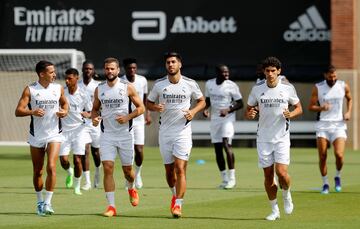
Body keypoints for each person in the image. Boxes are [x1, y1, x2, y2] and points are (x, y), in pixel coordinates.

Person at [146, 52, 205, 218]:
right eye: (168, 62)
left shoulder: (190, 83)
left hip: (183, 133)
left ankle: (178, 205)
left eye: (173, 62)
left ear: (180, 64)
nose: (170, 65)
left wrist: (193, 111)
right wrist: (155, 107)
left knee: (180, 169)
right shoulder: (159, 85)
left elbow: (202, 101)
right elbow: (148, 103)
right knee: (169, 172)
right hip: (165, 132)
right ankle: (174, 194)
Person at [245, 56, 302, 221]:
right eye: (267, 71)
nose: (270, 74)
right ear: (264, 72)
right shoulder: (257, 89)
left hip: (282, 137)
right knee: (268, 176)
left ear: (279, 72)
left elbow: (299, 108)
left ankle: (286, 194)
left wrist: (290, 114)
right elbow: (249, 110)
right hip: (263, 138)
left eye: (273, 71)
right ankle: (274, 210)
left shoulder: (287, 88)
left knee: (282, 173)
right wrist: (250, 113)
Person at [91, 57, 145, 217]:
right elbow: (95, 109)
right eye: (107, 68)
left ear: (118, 70)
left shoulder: (127, 87)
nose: (109, 71)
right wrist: (94, 117)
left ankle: (131, 187)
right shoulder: (99, 89)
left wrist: (127, 117)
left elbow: (141, 108)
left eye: (112, 69)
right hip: (107, 135)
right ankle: (111, 206)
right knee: (108, 168)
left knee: (128, 171)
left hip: (125, 136)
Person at [15, 60, 69, 216]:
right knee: (38, 171)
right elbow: (18, 111)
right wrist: (32, 112)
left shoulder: (58, 88)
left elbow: (65, 105)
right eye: (51, 72)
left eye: (54, 72)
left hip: (54, 134)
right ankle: (39, 202)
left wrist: (64, 112)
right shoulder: (30, 89)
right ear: (42, 74)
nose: (54, 74)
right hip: (36, 135)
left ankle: (48, 203)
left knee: (51, 167)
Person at [308, 65, 352, 194]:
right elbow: (310, 106)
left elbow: (350, 99)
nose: (333, 78)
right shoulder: (318, 87)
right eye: (330, 76)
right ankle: (325, 183)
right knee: (322, 156)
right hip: (323, 125)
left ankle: (337, 176)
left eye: (334, 76)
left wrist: (348, 112)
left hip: (338, 125)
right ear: (325, 75)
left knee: (339, 155)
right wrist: (322, 108)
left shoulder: (343, 85)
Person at [203, 64, 243, 189]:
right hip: (215, 120)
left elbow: (240, 103)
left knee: (227, 144)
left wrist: (229, 109)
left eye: (227, 72)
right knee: (217, 149)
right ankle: (224, 179)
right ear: (217, 73)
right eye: (223, 72)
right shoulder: (209, 84)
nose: (226, 74)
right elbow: (208, 101)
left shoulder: (231, 85)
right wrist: (205, 109)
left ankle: (232, 179)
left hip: (228, 119)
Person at [59, 68, 92, 195]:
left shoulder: (84, 94)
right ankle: (69, 172)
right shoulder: (61, 93)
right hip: (64, 131)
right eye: (66, 78)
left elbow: (90, 111)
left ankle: (77, 186)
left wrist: (87, 114)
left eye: (70, 78)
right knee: (63, 160)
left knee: (78, 159)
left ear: (77, 78)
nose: (67, 81)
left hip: (79, 130)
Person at [120, 57, 152, 189]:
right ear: (125, 69)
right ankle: (129, 176)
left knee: (139, 150)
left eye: (134, 68)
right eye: (129, 68)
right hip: (126, 120)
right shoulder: (120, 82)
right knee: (128, 150)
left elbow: (144, 99)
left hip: (138, 120)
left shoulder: (142, 80)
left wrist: (147, 114)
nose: (132, 70)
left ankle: (137, 174)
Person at [79, 60, 102, 190]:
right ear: (82, 70)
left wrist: (93, 114)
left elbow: (102, 105)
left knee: (96, 152)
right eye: (86, 68)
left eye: (90, 69)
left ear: (93, 71)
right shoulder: (77, 85)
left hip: (95, 122)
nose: (88, 71)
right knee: (85, 150)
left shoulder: (98, 86)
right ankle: (87, 181)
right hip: (82, 124)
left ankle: (98, 170)